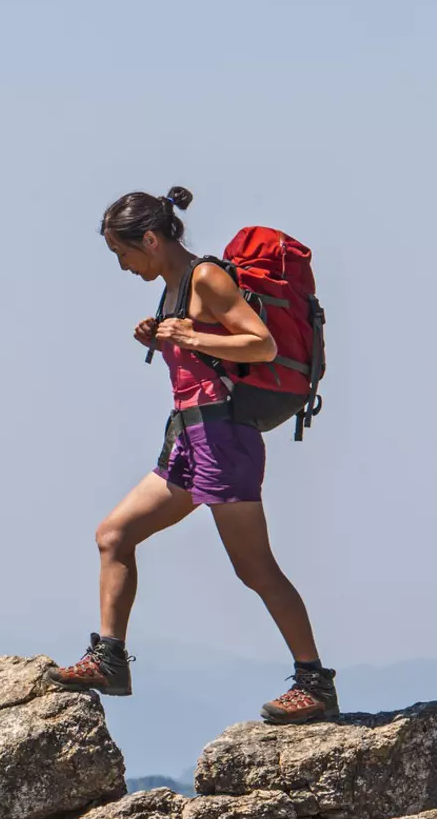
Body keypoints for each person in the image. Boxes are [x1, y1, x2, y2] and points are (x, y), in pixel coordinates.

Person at [47, 186, 339, 723]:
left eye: (124, 253)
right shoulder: (172, 286)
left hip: (224, 438)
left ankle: (314, 682)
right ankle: (110, 659)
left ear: (152, 239)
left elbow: (262, 345)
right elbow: (197, 352)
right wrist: (161, 338)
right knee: (114, 536)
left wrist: (191, 337)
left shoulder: (206, 277)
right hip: (188, 439)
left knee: (255, 569)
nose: (123, 266)